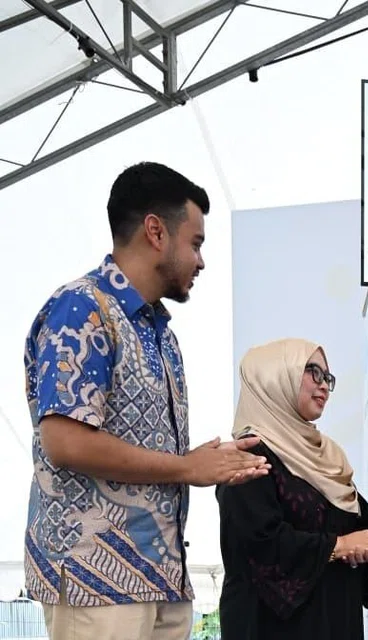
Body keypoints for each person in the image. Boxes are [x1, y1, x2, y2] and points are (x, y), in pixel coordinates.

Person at [23, 162, 270, 640]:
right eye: (196, 243)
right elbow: (64, 441)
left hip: (160, 581)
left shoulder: (159, 333)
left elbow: (141, 448)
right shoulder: (83, 307)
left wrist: (210, 463)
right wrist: (187, 469)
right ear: (156, 231)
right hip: (97, 583)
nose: (201, 260)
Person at [216, 338, 368, 639]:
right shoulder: (248, 455)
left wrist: (354, 550)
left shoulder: (328, 456)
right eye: (312, 371)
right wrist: (340, 546)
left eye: (327, 377)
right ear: (274, 375)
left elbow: (342, 528)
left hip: (336, 616)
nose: (324, 384)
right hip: (276, 628)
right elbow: (258, 543)